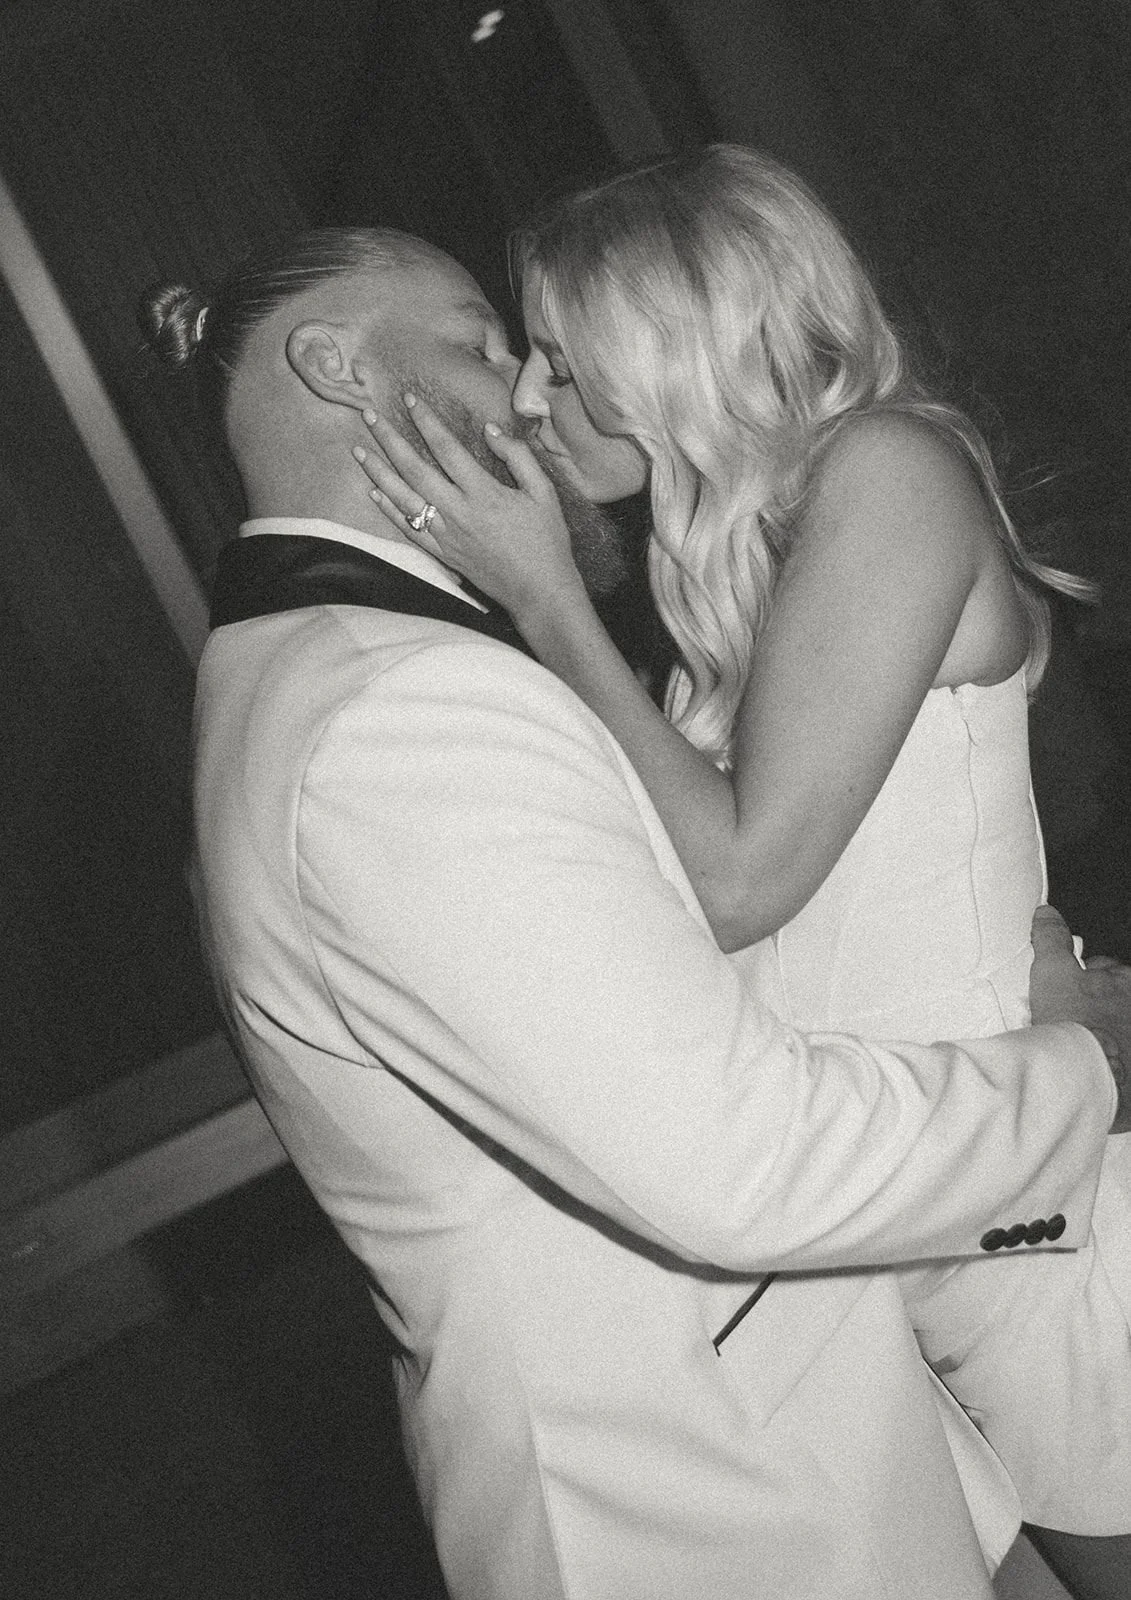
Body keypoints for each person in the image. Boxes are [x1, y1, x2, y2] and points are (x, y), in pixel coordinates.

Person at [140, 225, 1131, 1600]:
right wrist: (1086, 1068)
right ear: (338, 368)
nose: (531, 393)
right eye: (489, 345)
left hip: (842, 1374)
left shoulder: (342, 679)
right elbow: (734, 1155)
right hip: (705, 1489)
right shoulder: (395, 712)